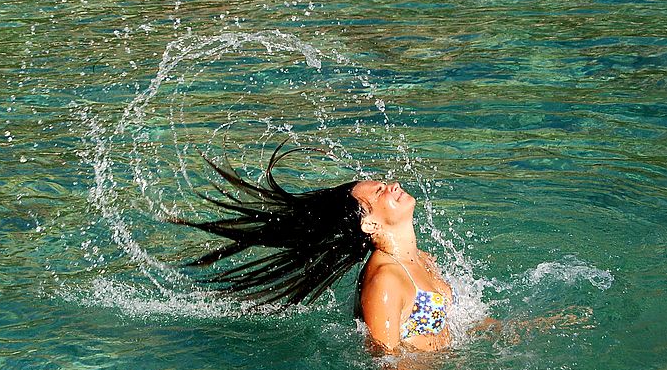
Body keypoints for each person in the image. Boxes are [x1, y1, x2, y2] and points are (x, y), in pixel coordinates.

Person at [168, 141, 467, 355]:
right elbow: (385, 367)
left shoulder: (424, 260)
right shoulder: (386, 281)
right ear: (369, 225)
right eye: (380, 191)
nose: (393, 185)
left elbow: (453, 325)